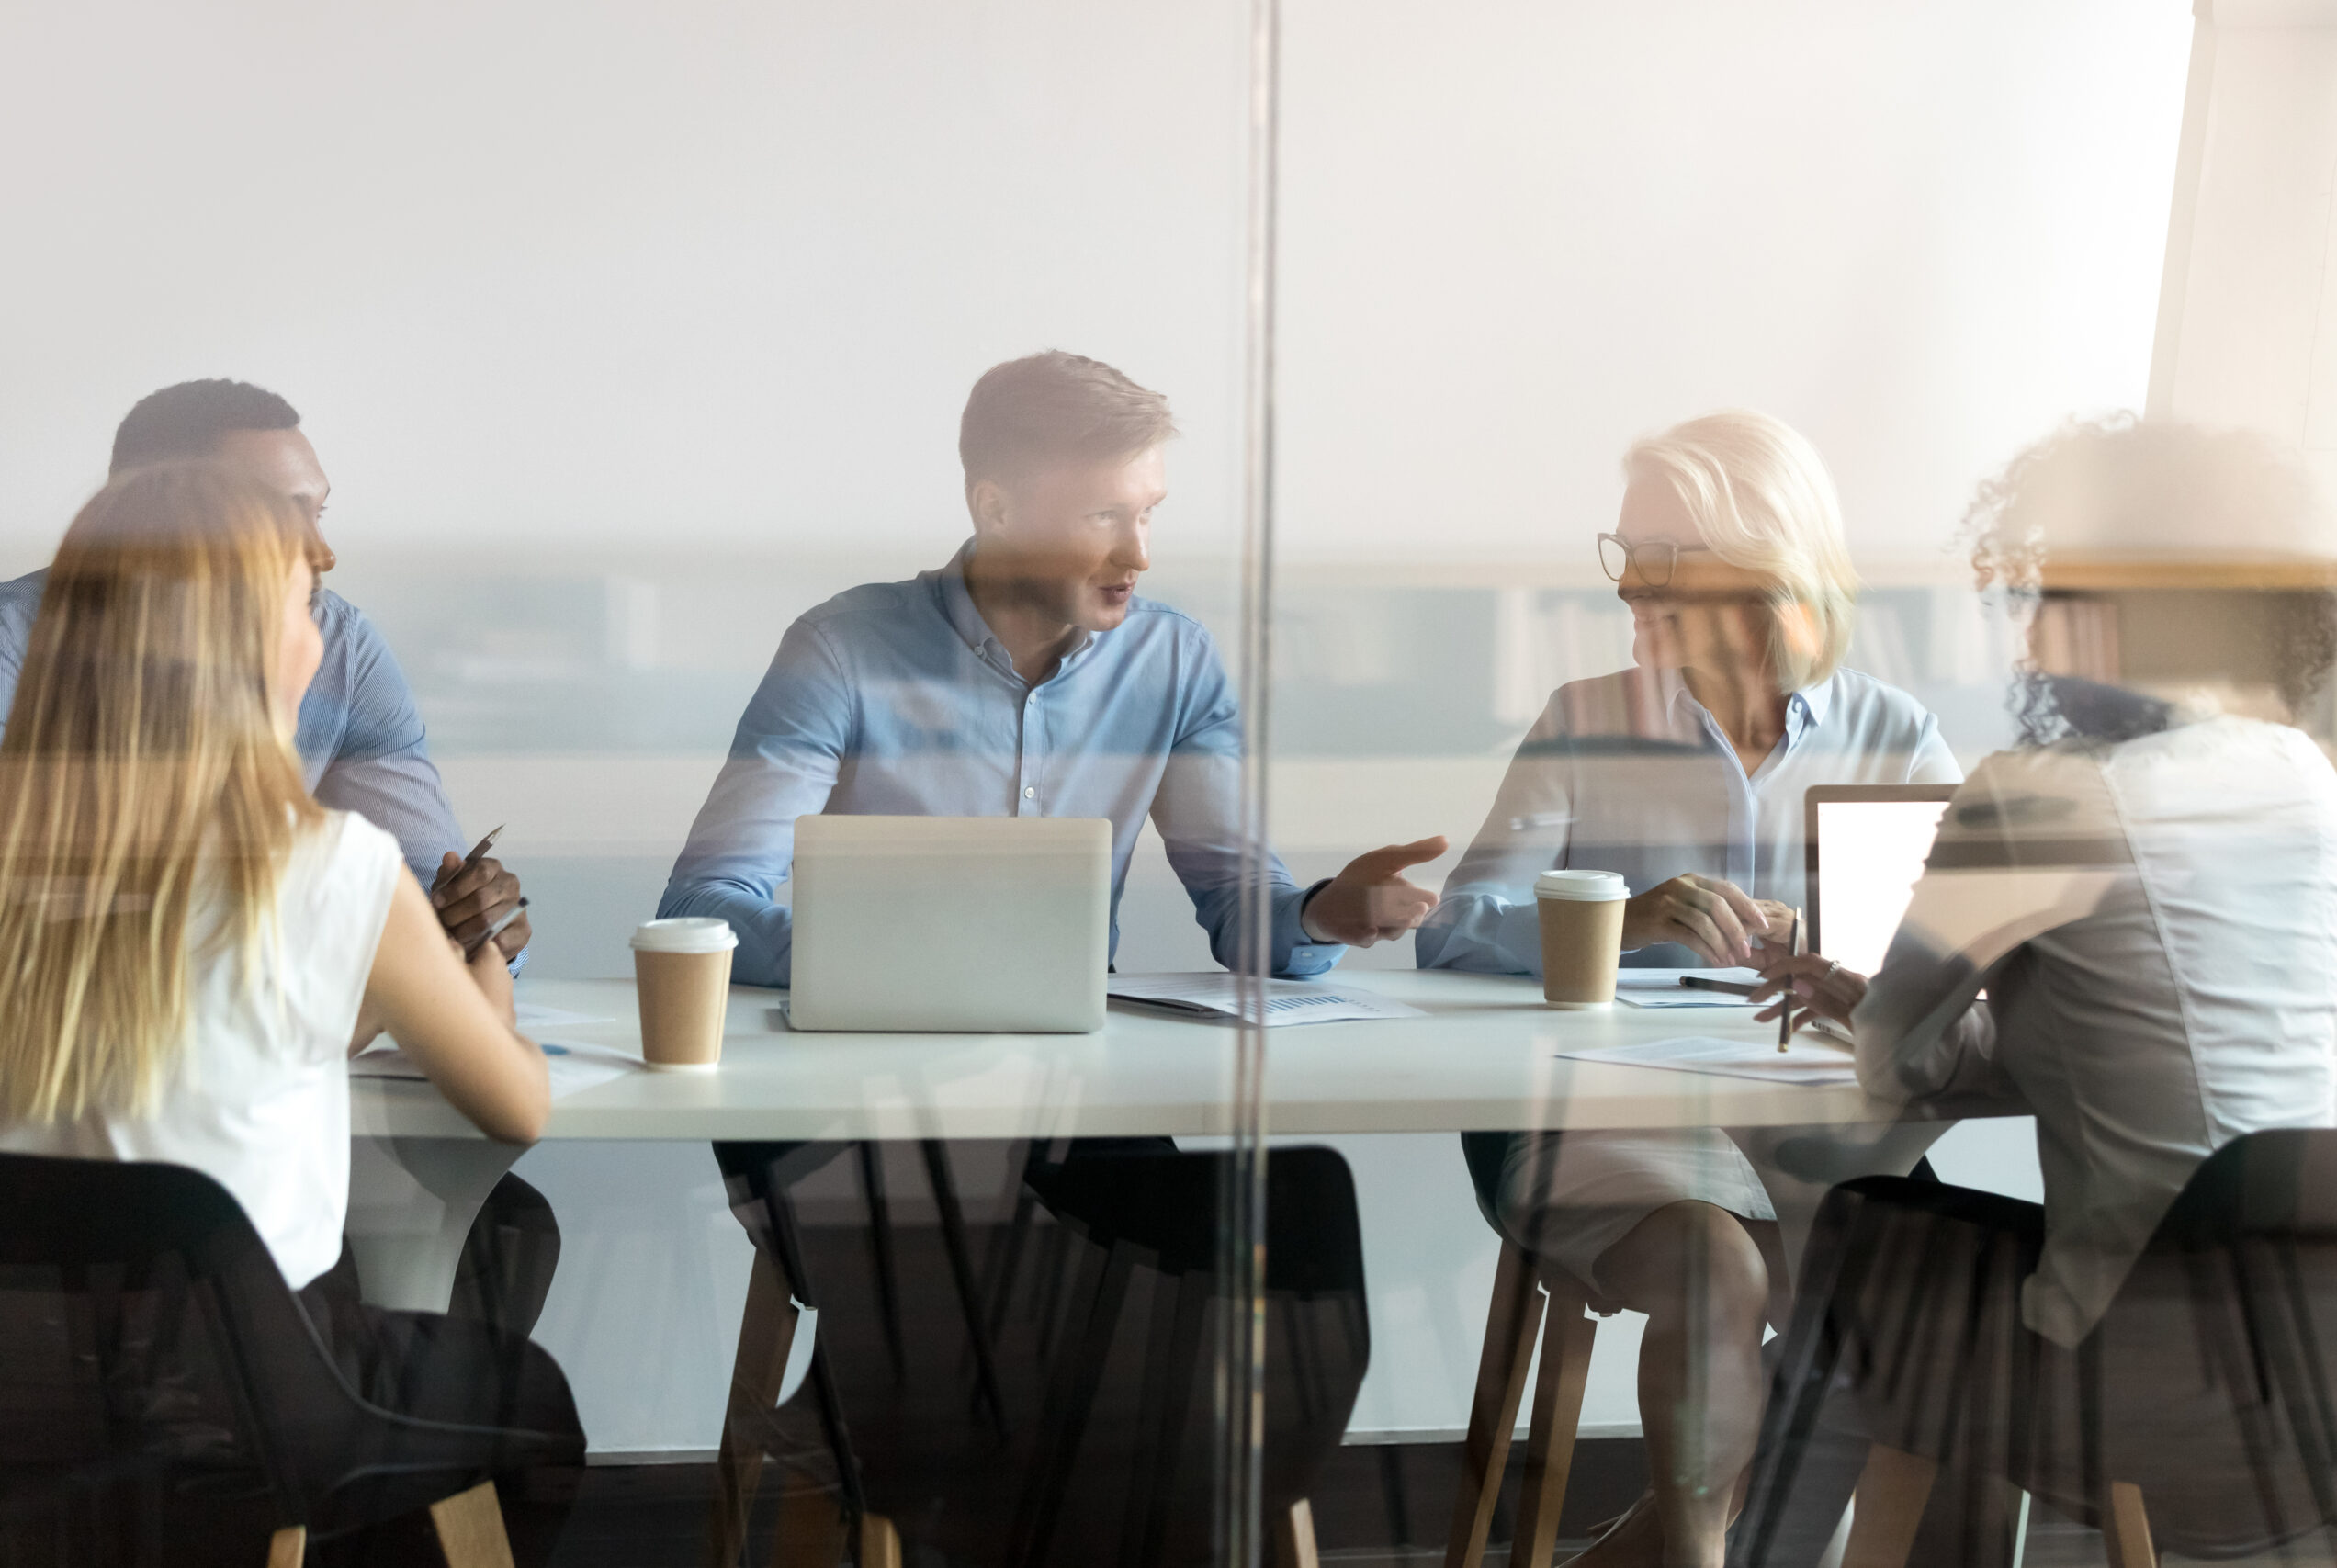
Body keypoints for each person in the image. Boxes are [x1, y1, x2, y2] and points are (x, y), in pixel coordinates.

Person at [1742, 416, 2337, 1564]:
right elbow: (2128, 1029)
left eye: (2048, 600)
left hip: (2144, 1370)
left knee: (1860, 1256)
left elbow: (1889, 1065)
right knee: (1909, 1277)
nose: (2027, 636)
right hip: (2319, 1357)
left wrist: (1867, 1004)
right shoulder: (2301, 784)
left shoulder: (2038, 802)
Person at [0, 462, 583, 1563]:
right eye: (301, 609)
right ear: (250, 648)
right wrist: (472, 952)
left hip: (26, 1410)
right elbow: (517, 1103)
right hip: (251, 1412)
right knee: (525, 1401)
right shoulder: (333, 871)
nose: (320, 639)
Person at [1418, 411, 1961, 1568]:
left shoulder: (1894, 733)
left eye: (1662, 561)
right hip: (1609, 1115)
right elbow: (1453, 932)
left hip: (1811, 1125)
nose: (1630, 590)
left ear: (1765, 563)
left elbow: (1953, 969)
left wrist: (1833, 952)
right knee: (1719, 1266)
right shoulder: (1585, 716)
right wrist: (1622, 919)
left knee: (1894, 1316)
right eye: (1625, 556)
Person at [660, 349, 1446, 976]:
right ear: (995, 508)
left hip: (1068, 1085)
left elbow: (1242, 906)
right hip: (868, 1078)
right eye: (1102, 514)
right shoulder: (842, 651)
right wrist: (897, 962)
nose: (1137, 553)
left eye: (1146, 514)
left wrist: (1320, 912)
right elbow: (702, 907)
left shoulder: (1171, 659)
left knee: (1302, 1185)